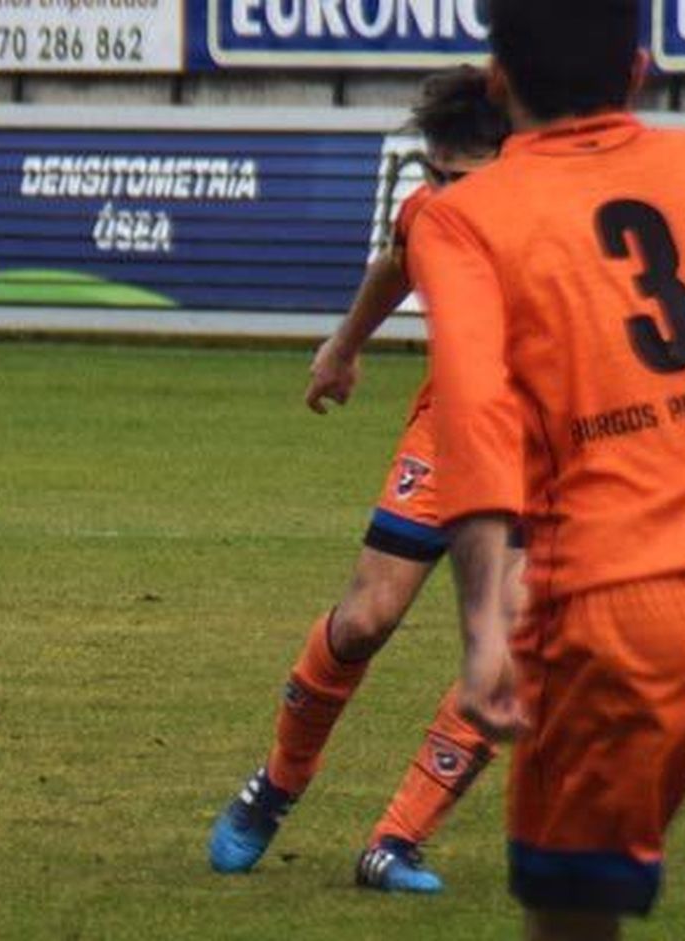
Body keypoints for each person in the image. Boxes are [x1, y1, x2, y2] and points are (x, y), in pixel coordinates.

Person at [411, 1, 685, 937]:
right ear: (640, 71)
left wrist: (483, 627)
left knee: (573, 914)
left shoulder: (464, 219)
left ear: (498, 83)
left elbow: (474, 416)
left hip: (614, 613)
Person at [207, 67, 513, 893]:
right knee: (366, 619)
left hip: (543, 454)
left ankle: (396, 841)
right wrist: (342, 348)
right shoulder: (428, 215)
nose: (444, 194)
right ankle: (276, 782)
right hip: (448, 435)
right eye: (435, 174)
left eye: (461, 178)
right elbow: (395, 265)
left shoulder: (560, 214)